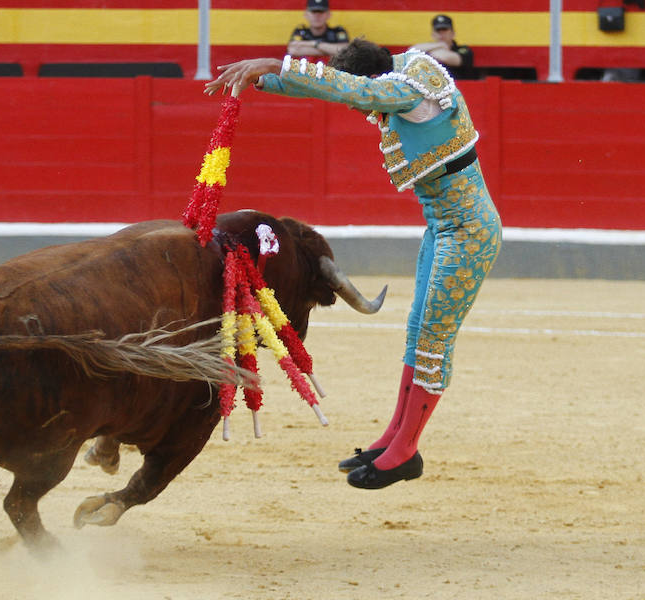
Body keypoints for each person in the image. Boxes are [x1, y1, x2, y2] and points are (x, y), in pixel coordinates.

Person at [204, 39, 502, 490]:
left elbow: (350, 90)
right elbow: (340, 86)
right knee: (419, 331)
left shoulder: (403, 91)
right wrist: (265, 80)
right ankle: (394, 439)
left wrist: (275, 64)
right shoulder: (409, 64)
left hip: (467, 232)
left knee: (432, 343)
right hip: (445, 228)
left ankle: (405, 452)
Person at [410, 14, 476, 80]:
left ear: (453, 33)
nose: (441, 33)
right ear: (433, 34)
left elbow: (446, 58)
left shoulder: (464, 50)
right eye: (438, 30)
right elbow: (411, 50)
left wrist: (428, 52)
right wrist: (440, 45)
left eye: (444, 30)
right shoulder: (431, 48)